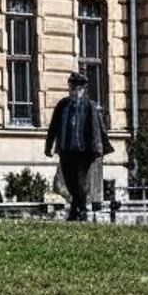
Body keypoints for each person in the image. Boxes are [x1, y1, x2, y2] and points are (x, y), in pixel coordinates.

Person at [44, 71, 113, 221]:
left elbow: (96, 128)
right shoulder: (62, 105)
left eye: (76, 89)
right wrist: (48, 146)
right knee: (70, 182)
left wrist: (97, 149)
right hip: (65, 150)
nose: (73, 92)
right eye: (71, 88)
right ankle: (77, 210)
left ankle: (80, 212)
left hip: (83, 152)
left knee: (81, 183)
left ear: (83, 90)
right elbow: (53, 126)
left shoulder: (89, 106)